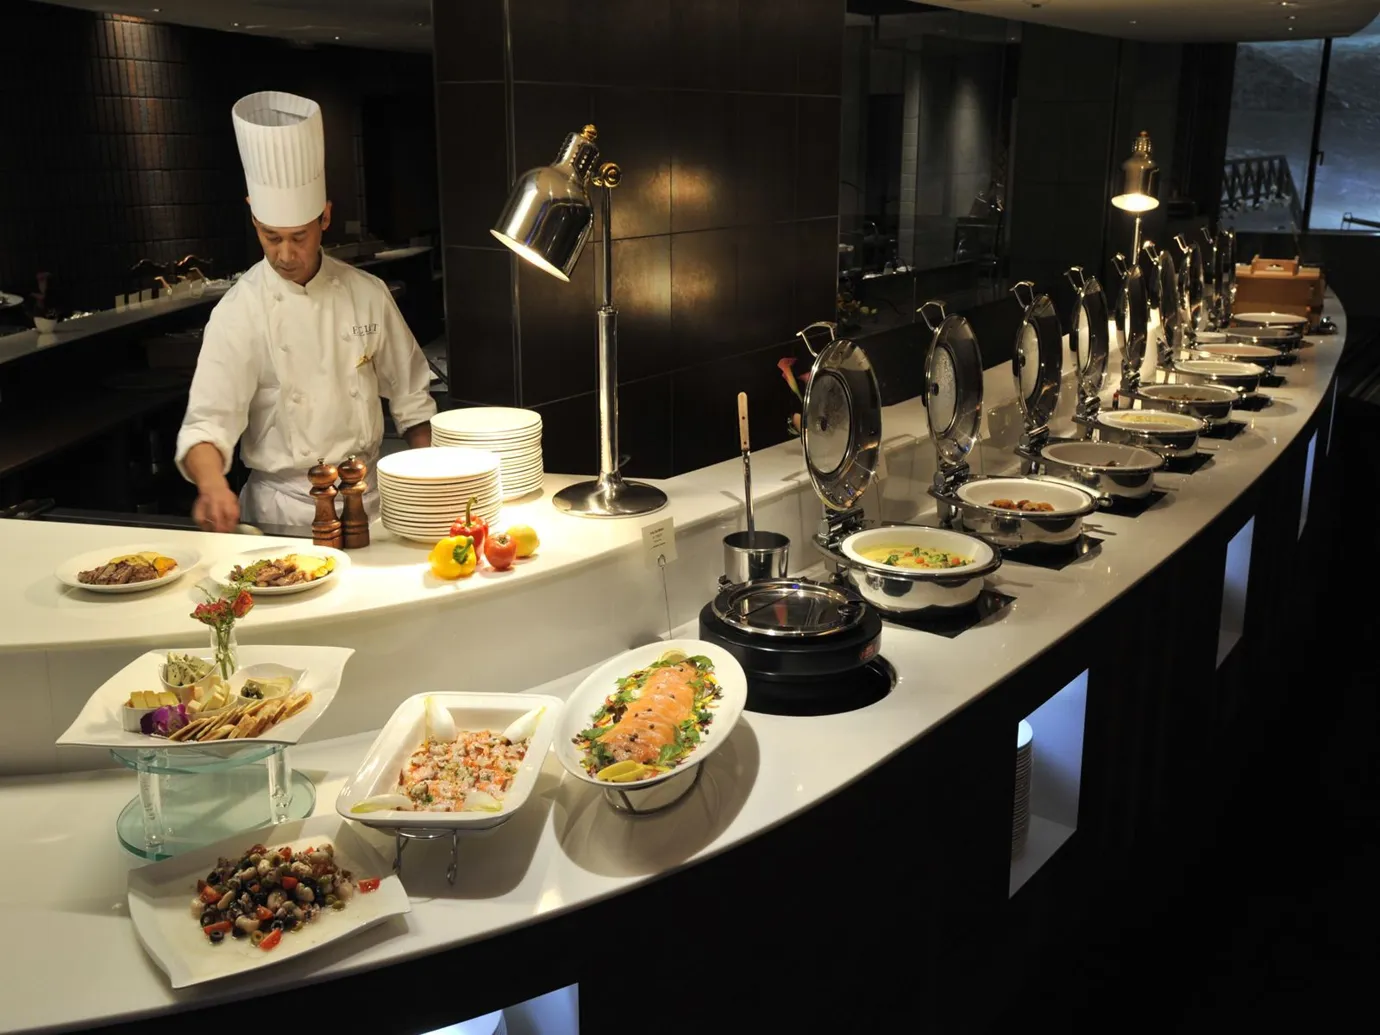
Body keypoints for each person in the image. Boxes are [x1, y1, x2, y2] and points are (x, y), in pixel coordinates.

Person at [176, 90, 436, 532]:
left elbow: (412, 399)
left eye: (298, 236)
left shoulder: (367, 293)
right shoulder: (239, 312)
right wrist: (211, 484)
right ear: (253, 218)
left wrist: (432, 476)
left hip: (369, 504)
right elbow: (207, 422)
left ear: (325, 218)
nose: (285, 254)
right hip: (282, 513)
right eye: (270, 236)